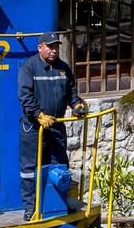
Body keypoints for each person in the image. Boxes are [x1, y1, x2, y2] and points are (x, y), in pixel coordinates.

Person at [18, 32, 86, 214]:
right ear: (40, 47)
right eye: (50, 46)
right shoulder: (29, 67)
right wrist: (39, 115)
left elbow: (71, 92)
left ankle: (57, 205)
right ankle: (31, 209)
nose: (54, 50)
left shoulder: (64, 68)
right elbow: (25, 96)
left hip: (56, 126)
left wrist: (77, 105)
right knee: (30, 169)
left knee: (59, 166)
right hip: (34, 127)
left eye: (56, 46)